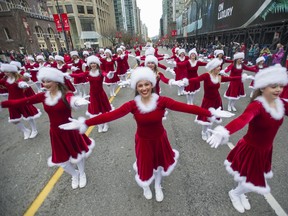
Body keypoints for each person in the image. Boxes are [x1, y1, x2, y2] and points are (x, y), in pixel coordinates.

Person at [59, 67, 234, 202]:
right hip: (143, 141)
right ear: (136, 87)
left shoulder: (162, 101)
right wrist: (85, 122)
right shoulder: (132, 105)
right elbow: (111, 115)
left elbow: (187, 108)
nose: (144, 88)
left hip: (160, 139)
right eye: (140, 85)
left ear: (152, 84)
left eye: (147, 84)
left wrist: (209, 112)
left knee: (159, 165)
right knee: (145, 166)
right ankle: (146, 186)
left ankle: (158, 185)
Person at [206, 64, 288, 213]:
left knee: (247, 176)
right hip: (251, 148)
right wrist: (224, 130)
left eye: (281, 86)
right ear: (263, 88)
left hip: (266, 149)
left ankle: (240, 192)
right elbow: (242, 120)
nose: (278, 90)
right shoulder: (257, 106)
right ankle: (235, 193)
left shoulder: (281, 104)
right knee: (253, 180)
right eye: (274, 86)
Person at [1, 67, 95, 189]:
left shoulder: (66, 94)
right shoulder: (42, 96)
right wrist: (3, 104)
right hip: (55, 132)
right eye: (43, 82)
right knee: (62, 161)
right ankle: (74, 174)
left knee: (78, 155)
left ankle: (82, 173)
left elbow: (71, 99)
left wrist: (76, 102)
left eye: (48, 81)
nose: (45, 84)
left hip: (70, 129)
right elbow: (22, 101)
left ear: (56, 82)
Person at [182, 58, 252, 141]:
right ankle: (204, 132)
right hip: (207, 100)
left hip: (216, 100)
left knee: (213, 117)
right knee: (206, 117)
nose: (220, 68)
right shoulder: (206, 76)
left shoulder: (219, 77)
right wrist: (186, 81)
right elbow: (196, 79)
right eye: (218, 66)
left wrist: (243, 77)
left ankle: (208, 130)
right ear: (213, 68)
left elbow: (231, 78)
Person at [70, 55, 113, 133]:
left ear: (97, 64)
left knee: (104, 111)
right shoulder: (88, 73)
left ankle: (106, 124)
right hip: (93, 95)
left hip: (101, 94)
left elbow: (105, 74)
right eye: (91, 63)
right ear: (89, 65)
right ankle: (99, 125)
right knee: (95, 112)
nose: (93, 64)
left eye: (94, 63)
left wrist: (109, 75)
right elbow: (79, 75)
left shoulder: (100, 72)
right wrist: (68, 75)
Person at [0, 64, 41, 139]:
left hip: (21, 100)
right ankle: (25, 131)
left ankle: (34, 130)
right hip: (11, 101)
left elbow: (21, 83)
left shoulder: (18, 79)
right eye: (4, 72)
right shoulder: (5, 79)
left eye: (7, 72)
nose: (5, 73)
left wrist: (23, 85)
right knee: (14, 119)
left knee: (29, 116)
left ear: (12, 72)